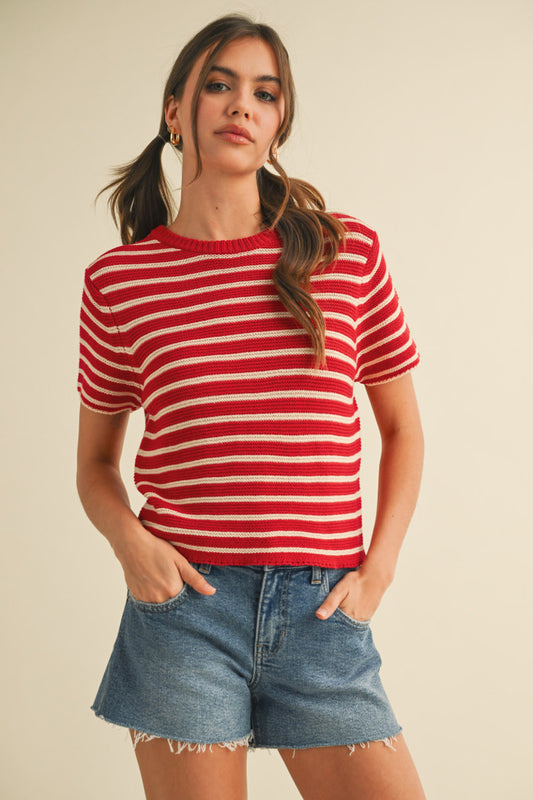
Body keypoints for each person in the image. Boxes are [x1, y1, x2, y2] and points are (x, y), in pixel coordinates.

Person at [76, 13, 426, 800]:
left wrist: (378, 570)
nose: (241, 105)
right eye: (219, 84)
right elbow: (94, 464)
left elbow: (402, 427)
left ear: (277, 124)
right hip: (184, 610)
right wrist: (132, 548)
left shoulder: (346, 253)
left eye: (264, 93)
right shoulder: (119, 282)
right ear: (175, 111)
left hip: (323, 610)